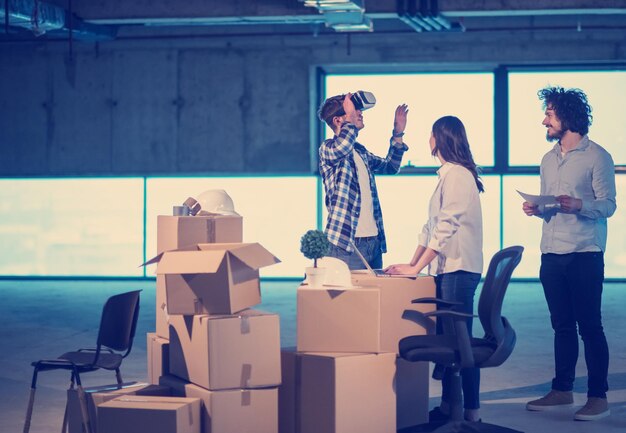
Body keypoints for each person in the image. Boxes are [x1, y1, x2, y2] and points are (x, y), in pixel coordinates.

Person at [523, 86, 616, 421]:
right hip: (551, 253)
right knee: (561, 326)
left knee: (590, 326)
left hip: (584, 253)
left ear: (567, 116)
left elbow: (608, 206)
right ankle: (562, 390)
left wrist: (580, 205)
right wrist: (538, 208)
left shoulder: (598, 157)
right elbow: (551, 203)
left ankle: (598, 397)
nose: (543, 121)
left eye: (549, 114)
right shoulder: (548, 159)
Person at [385, 115, 484, 422]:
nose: (428, 138)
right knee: (450, 344)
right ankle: (448, 407)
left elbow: (445, 230)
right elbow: (430, 229)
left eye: (430, 134)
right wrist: (411, 266)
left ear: (440, 139)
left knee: (460, 344)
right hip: (446, 269)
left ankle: (472, 412)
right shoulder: (447, 175)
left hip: (458, 269)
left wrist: (416, 266)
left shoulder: (457, 176)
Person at [317, 92, 409, 270]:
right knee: (349, 297)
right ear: (338, 121)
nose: (360, 114)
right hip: (346, 245)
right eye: (354, 112)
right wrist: (350, 120)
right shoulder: (327, 149)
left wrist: (398, 134)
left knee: (374, 296)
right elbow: (342, 147)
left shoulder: (360, 151)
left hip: (373, 243)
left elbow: (390, 167)